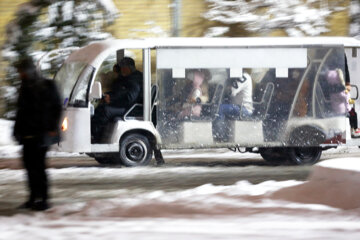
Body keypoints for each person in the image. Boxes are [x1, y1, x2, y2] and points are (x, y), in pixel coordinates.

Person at [13, 57, 62, 211]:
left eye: (22, 71)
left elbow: (57, 107)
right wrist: (17, 130)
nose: (21, 74)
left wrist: (52, 127)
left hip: (41, 133)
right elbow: (21, 111)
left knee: (39, 168)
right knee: (29, 167)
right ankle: (33, 198)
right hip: (27, 133)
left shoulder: (47, 85)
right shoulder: (24, 87)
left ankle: (44, 200)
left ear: (29, 70)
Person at [91, 57, 143, 142]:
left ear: (128, 68)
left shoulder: (135, 79)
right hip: (126, 105)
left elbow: (130, 98)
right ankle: (94, 134)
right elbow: (119, 92)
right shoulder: (126, 77)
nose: (121, 70)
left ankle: (97, 138)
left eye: (122, 67)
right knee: (100, 108)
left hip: (132, 108)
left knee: (105, 111)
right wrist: (108, 96)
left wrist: (111, 100)